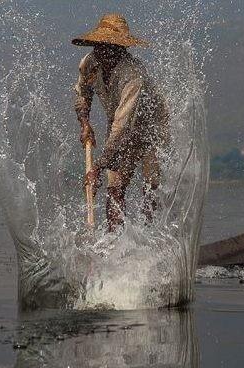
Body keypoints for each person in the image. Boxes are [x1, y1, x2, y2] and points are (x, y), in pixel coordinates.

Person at [73, 14, 169, 232]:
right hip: (119, 124)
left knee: (150, 186)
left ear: (120, 49)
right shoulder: (89, 63)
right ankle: (112, 242)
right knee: (115, 187)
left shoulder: (133, 75)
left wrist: (97, 167)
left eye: (108, 47)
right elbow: (82, 93)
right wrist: (85, 122)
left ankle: (150, 238)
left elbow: (122, 126)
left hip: (152, 127)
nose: (102, 52)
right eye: (99, 46)